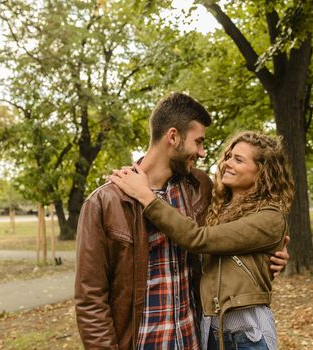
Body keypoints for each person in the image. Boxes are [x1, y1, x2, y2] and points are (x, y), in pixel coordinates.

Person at [74, 93, 289, 349]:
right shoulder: (105, 202)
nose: (202, 152)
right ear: (173, 137)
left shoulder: (201, 189)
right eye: (198, 142)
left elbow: (241, 220)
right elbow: (90, 299)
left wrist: (272, 255)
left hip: (194, 339)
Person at [110, 131, 294, 350]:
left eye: (238, 159)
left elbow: (198, 239)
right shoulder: (217, 209)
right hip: (210, 332)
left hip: (247, 335)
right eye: (228, 157)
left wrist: (147, 196)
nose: (227, 164)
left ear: (263, 172)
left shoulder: (269, 217)